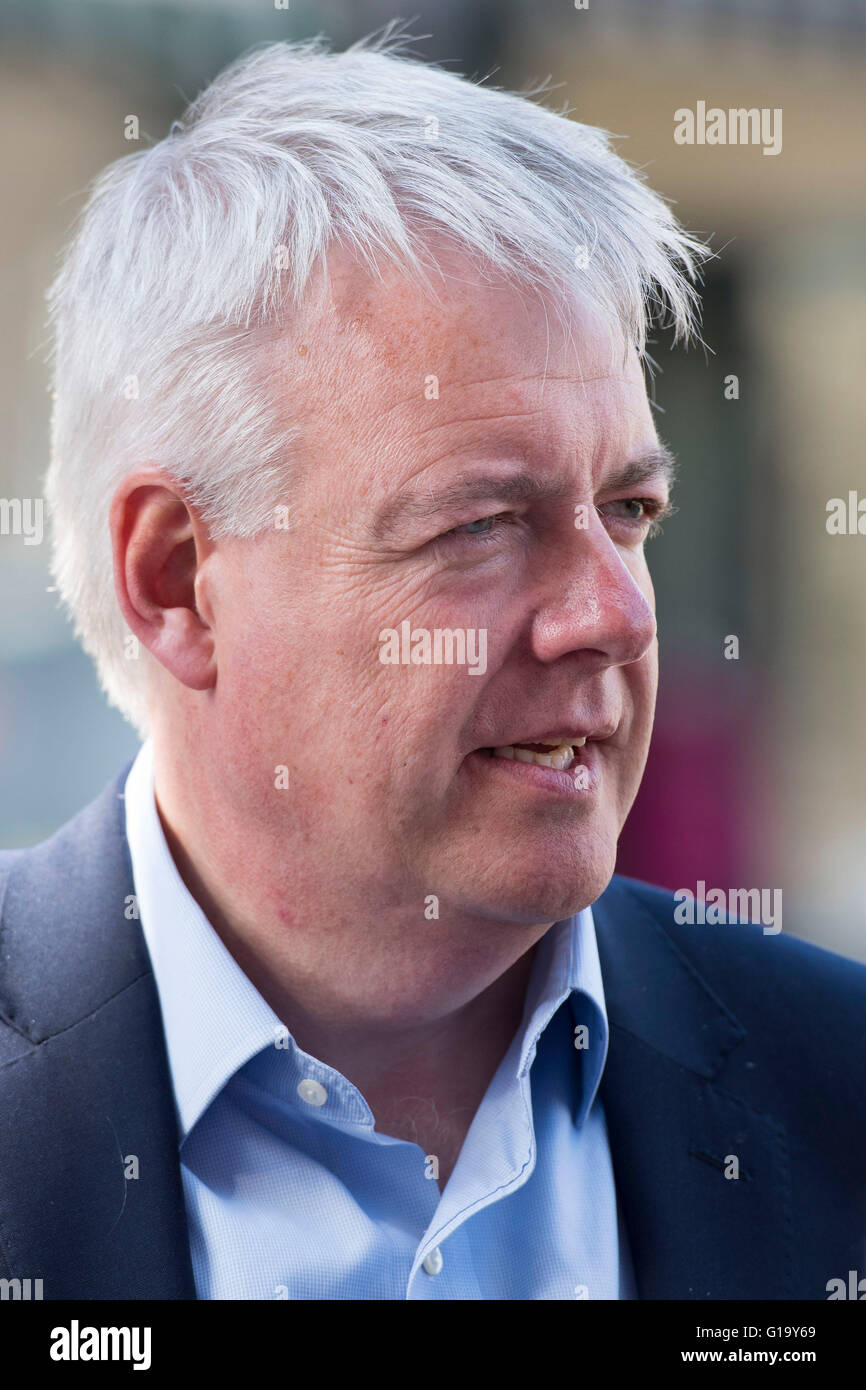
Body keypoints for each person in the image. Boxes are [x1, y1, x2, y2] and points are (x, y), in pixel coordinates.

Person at [1, 30, 863, 1301]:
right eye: (480, 524)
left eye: (627, 509)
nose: (612, 615)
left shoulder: (834, 1089)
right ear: (179, 579)